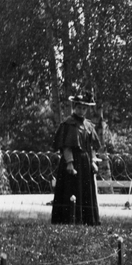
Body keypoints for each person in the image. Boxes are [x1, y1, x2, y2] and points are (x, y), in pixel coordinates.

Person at [50, 92, 104, 225]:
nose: (81, 111)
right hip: (73, 163)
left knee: (85, 191)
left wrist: (93, 161)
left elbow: (91, 147)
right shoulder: (68, 124)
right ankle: (69, 220)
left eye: (84, 108)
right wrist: (69, 163)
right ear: (74, 107)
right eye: (79, 107)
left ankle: (87, 221)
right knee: (71, 189)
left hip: (85, 164)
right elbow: (66, 146)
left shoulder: (88, 125)